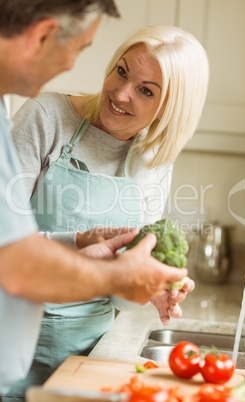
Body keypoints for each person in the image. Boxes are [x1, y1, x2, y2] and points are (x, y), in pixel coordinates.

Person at [5, 24, 209, 400]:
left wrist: (148, 287)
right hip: (14, 339)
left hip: (91, 353)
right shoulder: (47, 118)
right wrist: (79, 241)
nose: (121, 92)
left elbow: (120, 294)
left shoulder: (155, 161)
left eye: (146, 91)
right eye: (122, 71)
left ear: (170, 108)